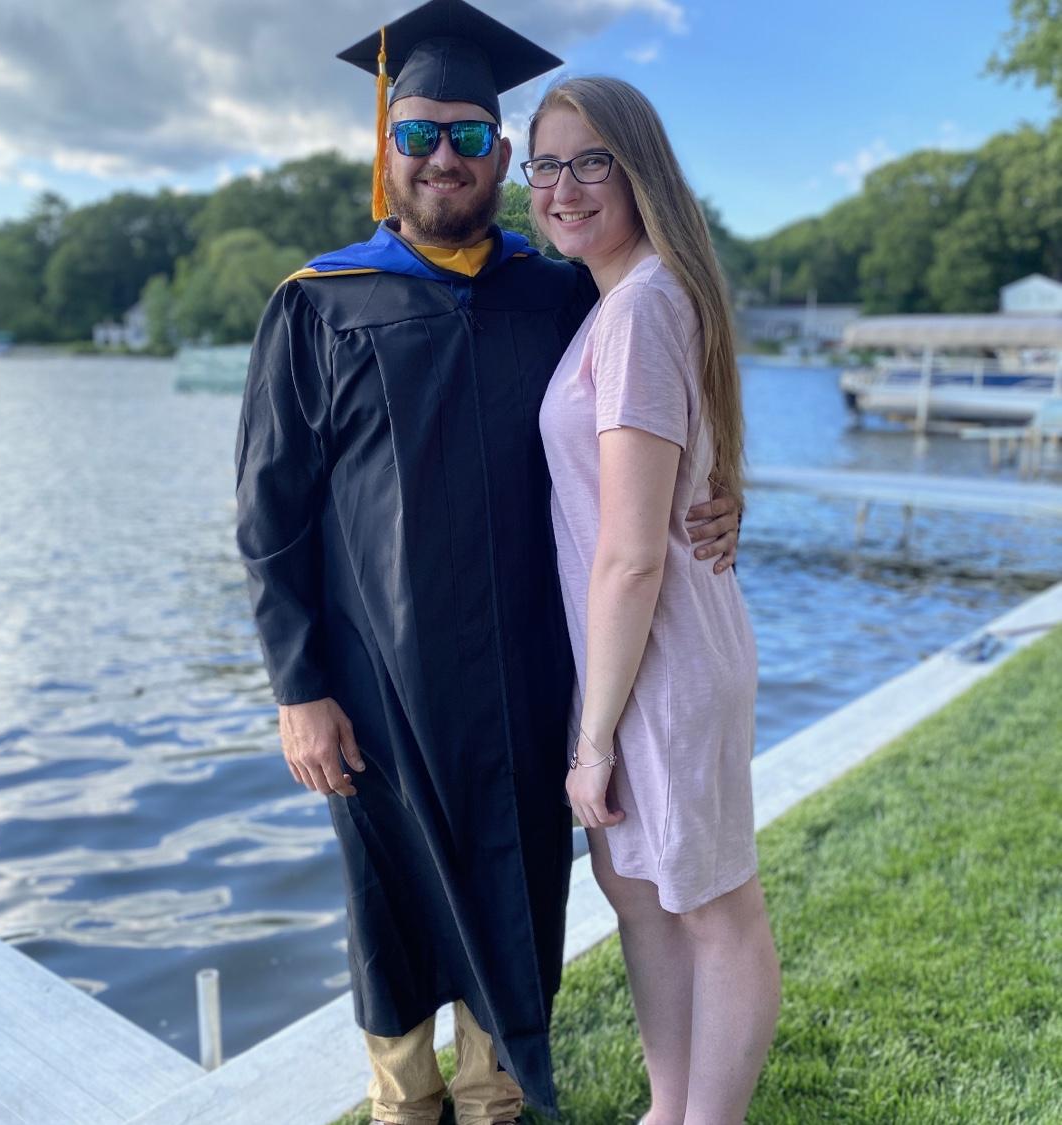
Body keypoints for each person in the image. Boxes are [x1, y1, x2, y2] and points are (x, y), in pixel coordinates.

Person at [235, 4, 741, 1122]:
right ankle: (404, 1102)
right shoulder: (318, 304)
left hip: (533, 670)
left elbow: (668, 394)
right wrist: (298, 689)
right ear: (387, 149)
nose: (443, 158)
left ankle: (495, 1095)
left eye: (467, 136)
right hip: (379, 680)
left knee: (519, 882)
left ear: (502, 155)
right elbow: (269, 517)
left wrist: (722, 491)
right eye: (418, 136)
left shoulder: (557, 292)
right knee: (389, 894)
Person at [525, 76, 781, 1125]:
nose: (564, 186)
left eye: (592, 160)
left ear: (639, 172)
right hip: (633, 660)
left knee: (715, 910)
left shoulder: (641, 307)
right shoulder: (626, 302)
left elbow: (632, 555)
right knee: (639, 896)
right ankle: (664, 1108)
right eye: (546, 164)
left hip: (662, 663)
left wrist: (591, 743)